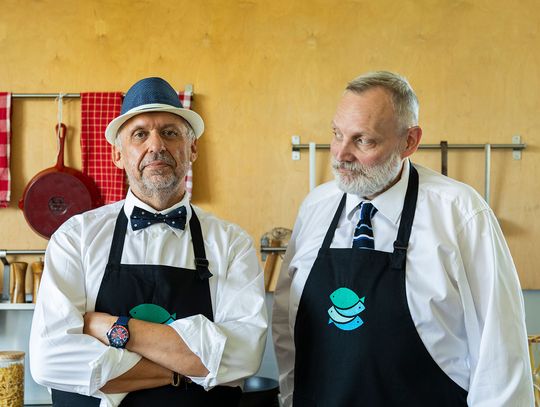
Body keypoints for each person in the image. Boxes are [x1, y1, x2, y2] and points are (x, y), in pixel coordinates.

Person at [272, 71, 534, 406]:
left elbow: (501, 354)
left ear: (409, 141)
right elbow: (287, 327)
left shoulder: (460, 213)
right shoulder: (315, 207)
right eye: (337, 134)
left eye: (363, 140)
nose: (340, 155)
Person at [29, 77, 268, 407]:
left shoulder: (232, 244)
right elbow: (50, 359)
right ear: (118, 154)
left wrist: (113, 328)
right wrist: (183, 369)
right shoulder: (75, 237)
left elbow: (243, 355)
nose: (156, 145)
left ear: (193, 149)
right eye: (140, 134)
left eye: (169, 132)